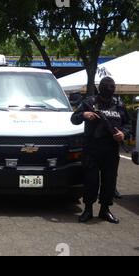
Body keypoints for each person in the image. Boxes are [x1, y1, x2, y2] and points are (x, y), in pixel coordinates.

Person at [71, 77, 131, 224]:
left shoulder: (119, 105)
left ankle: (105, 210)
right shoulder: (89, 103)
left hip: (111, 149)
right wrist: (84, 115)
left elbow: (128, 124)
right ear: (100, 88)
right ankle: (88, 209)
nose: (109, 90)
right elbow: (74, 118)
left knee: (109, 181)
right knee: (91, 180)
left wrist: (123, 133)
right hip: (92, 148)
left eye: (111, 87)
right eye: (106, 87)